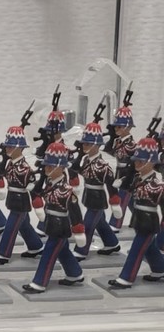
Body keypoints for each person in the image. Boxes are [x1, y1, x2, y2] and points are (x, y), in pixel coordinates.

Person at [22, 143, 85, 293]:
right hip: (51, 223)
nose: (46, 169)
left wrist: (79, 230)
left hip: (60, 227)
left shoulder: (66, 190)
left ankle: (40, 282)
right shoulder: (50, 184)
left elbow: (75, 211)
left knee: (49, 253)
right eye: (46, 166)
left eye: (50, 166)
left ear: (61, 167)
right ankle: (75, 273)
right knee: (63, 251)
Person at [108, 138, 164, 289]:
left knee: (136, 249)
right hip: (139, 220)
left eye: (141, 161)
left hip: (149, 222)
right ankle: (160, 269)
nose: (137, 164)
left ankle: (126, 278)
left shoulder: (157, 185)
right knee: (150, 248)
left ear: (151, 162)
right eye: (136, 161)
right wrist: (127, 176)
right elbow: (128, 190)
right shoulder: (138, 179)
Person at [0, 126, 44, 265]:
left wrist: (38, 205)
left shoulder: (24, 168)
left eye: (10, 147)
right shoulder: (10, 164)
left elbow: (33, 187)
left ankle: (3, 254)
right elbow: (0, 173)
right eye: (7, 146)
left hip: (20, 203)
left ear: (19, 148)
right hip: (13, 200)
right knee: (24, 226)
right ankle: (35, 246)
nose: (7, 149)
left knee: (10, 227)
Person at [70, 123, 123, 260]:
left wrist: (115, 201)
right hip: (89, 195)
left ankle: (81, 250)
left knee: (88, 225)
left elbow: (111, 184)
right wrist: (78, 157)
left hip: (97, 199)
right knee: (100, 223)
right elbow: (77, 171)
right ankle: (111, 243)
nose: (84, 146)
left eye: (87, 144)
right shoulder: (86, 160)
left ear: (97, 145)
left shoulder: (102, 166)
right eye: (83, 144)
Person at [106, 107, 137, 230]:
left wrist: (126, 178)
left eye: (119, 127)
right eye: (115, 127)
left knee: (122, 198)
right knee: (131, 200)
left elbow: (133, 163)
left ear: (128, 127)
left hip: (129, 173)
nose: (116, 129)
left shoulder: (131, 145)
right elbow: (110, 152)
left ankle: (115, 224)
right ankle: (138, 219)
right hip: (119, 171)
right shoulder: (117, 141)